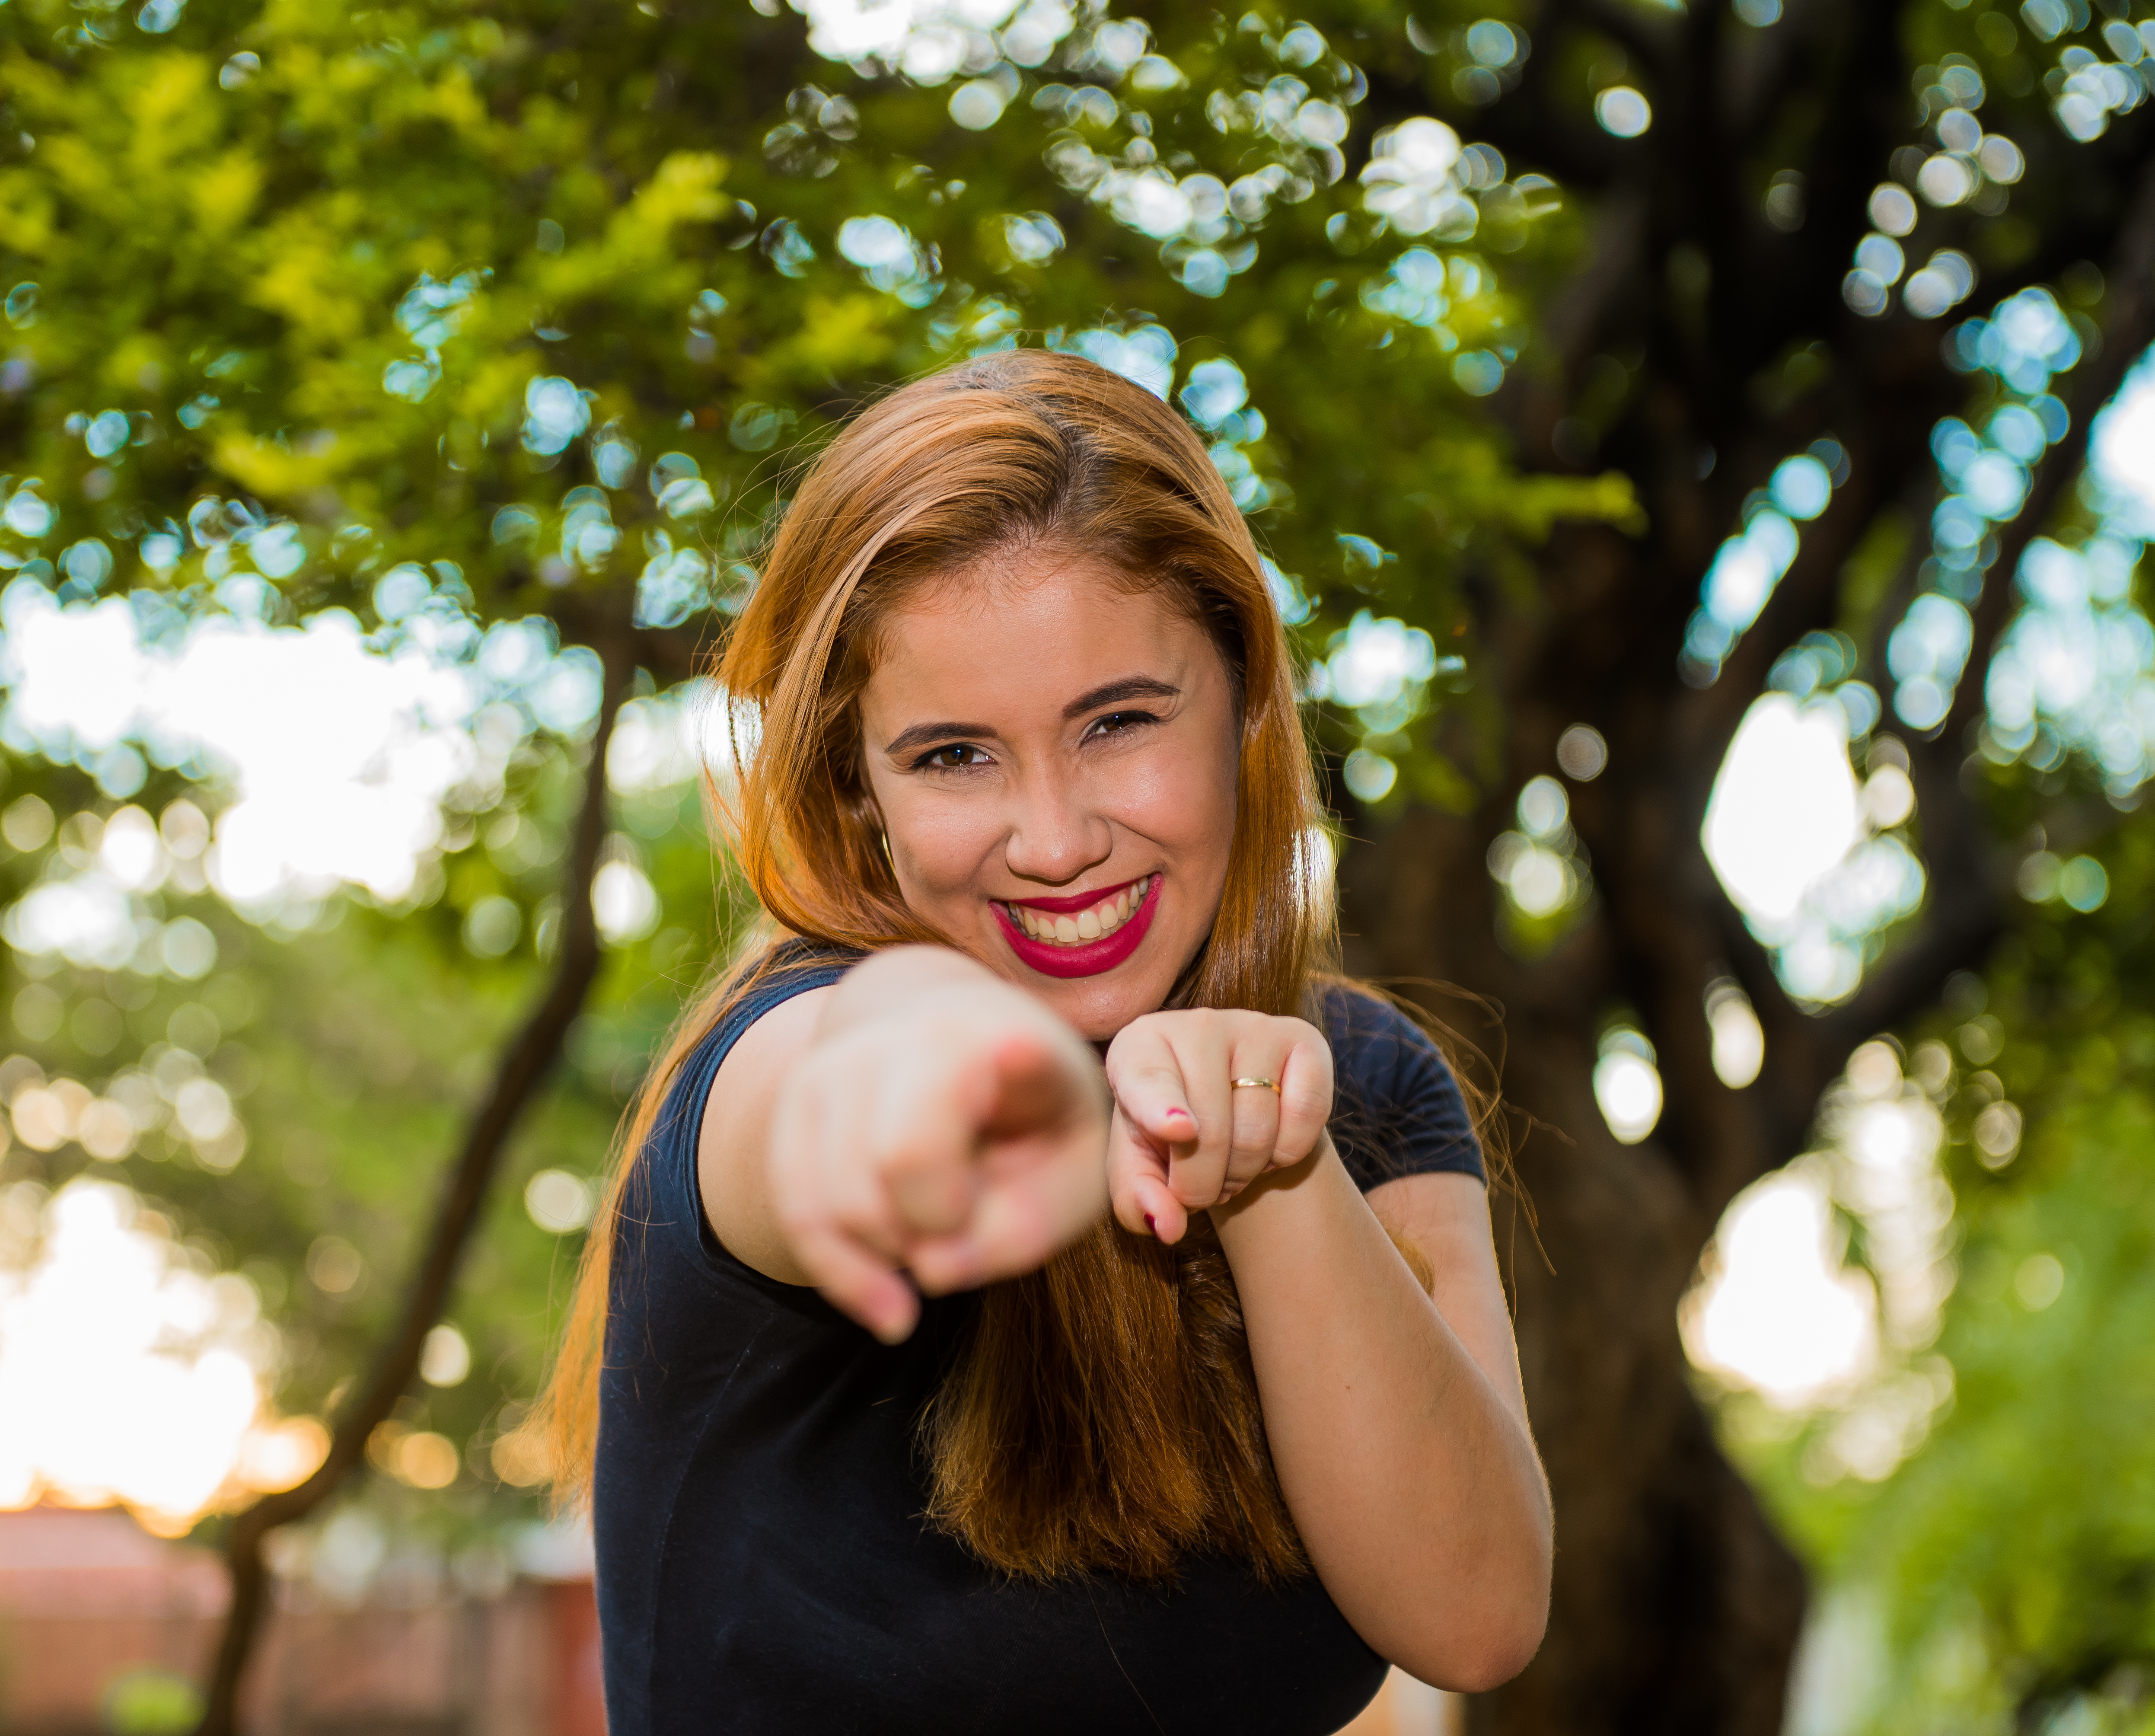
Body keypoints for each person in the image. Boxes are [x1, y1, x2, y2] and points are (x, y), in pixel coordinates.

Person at [543, 349, 1551, 1733]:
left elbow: (1478, 1615)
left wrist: (1266, 1158)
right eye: (954, 755)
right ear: (861, 786)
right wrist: (965, 1070)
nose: (1059, 843)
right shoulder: (780, 1056)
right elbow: (850, 1080)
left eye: (1120, 722)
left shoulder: (1363, 1083)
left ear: (1247, 703)